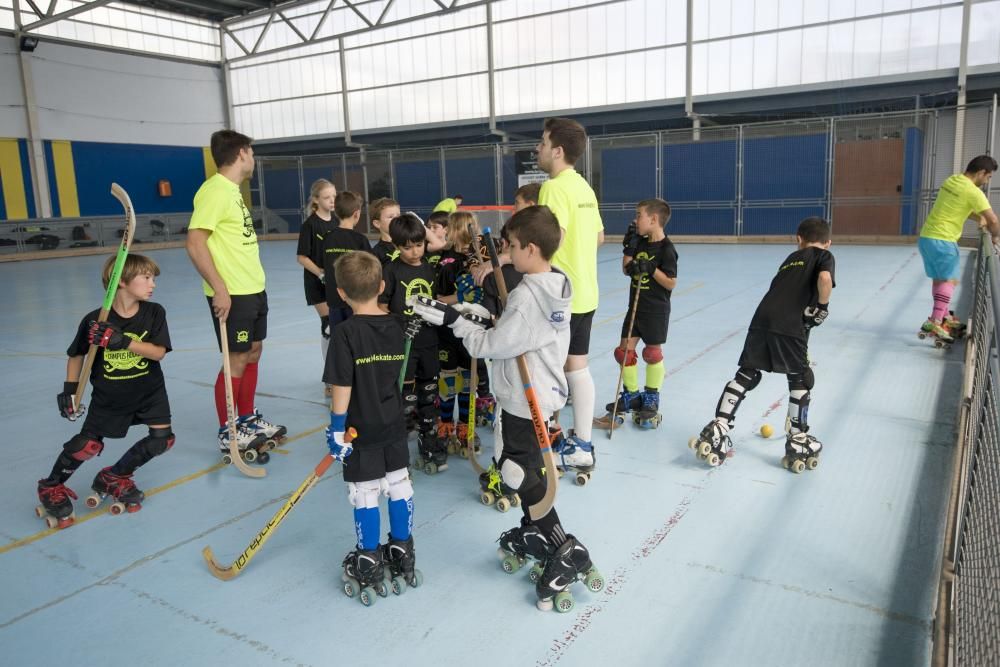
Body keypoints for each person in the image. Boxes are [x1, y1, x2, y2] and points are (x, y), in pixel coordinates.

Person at [413, 205, 602, 612]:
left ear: (531, 249)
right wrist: (475, 313)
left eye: (512, 247)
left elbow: (491, 346)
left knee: (518, 471)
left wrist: (454, 322)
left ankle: (562, 545)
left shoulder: (528, 298)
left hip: (525, 396)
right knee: (524, 468)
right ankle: (537, 530)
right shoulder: (554, 282)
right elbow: (513, 329)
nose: (508, 254)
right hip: (539, 388)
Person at [690, 217, 835, 473]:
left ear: (798, 239)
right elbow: (824, 280)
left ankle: (719, 427)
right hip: (791, 325)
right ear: (828, 243)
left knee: (748, 372)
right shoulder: (824, 256)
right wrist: (822, 307)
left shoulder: (792, 258)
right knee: (800, 377)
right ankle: (798, 439)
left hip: (762, 318)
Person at [38, 255, 173, 528]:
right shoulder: (94, 320)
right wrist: (70, 390)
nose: (153, 284)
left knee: (162, 440)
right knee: (88, 445)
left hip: (150, 393)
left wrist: (122, 341)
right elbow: (76, 356)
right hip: (110, 396)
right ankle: (51, 486)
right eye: (146, 278)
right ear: (121, 282)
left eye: (153, 278)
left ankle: (115, 475)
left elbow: (158, 352)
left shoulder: (154, 312)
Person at [323, 250, 419, 602]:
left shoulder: (345, 333)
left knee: (364, 493)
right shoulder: (397, 327)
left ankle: (369, 560)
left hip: (358, 430)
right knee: (398, 484)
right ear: (381, 286)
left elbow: (342, 386)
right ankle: (402, 552)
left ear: (342, 293)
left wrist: (336, 429)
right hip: (394, 423)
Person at [186, 130, 285, 458]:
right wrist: (220, 289)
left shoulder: (232, 191)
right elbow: (195, 242)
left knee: (253, 351)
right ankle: (227, 430)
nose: (253, 159)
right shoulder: (214, 191)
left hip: (253, 287)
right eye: (252, 153)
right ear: (242, 153)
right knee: (235, 359)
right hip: (234, 292)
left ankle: (246, 419)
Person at [535, 117, 604, 470]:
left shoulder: (553, 187)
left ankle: (547, 436)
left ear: (557, 151)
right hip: (586, 291)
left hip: (559, 296)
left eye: (543, 143)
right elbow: (599, 237)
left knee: (547, 369)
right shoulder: (584, 188)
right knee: (577, 366)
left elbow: (554, 237)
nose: (538, 148)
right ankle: (582, 444)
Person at [595, 198, 677, 431]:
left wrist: (651, 269)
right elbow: (626, 269)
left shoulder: (667, 249)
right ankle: (631, 395)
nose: (635, 219)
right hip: (635, 308)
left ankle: (651, 397)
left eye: (639, 215)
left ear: (653, 220)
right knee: (624, 352)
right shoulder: (640, 242)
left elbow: (671, 282)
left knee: (652, 353)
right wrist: (630, 248)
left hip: (656, 310)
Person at [379, 213, 446, 472]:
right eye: (407, 247)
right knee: (405, 403)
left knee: (429, 398)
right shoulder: (391, 269)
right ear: (396, 246)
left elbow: (436, 298)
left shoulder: (430, 265)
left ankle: (429, 445)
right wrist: (399, 324)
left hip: (429, 343)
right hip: (403, 347)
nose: (415, 251)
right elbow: (381, 306)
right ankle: (397, 456)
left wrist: (416, 222)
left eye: (419, 245)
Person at [918, 155, 999, 344]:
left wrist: (977, 218)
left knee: (940, 279)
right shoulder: (973, 192)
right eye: (988, 177)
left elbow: (957, 207)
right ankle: (936, 321)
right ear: (981, 173)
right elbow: (994, 220)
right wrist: (995, 236)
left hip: (926, 238)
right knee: (950, 280)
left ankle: (944, 317)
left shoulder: (952, 180)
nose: (986, 182)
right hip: (944, 241)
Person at [434, 211, 494, 448]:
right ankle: (446, 423)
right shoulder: (446, 259)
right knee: (449, 379)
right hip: (448, 328)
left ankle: (465, 425)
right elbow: (438, 298)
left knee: (469, 378)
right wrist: (460, 296)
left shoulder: (479, 257)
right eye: (468, 227)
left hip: (472, 328)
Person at [296, 178, 338, 395]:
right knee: (329, 325)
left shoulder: (337, 222)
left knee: (340, 324)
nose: (332, 201)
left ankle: (340, 373)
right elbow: (302, 257)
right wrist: (321, 273)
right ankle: (329, 380)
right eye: (326, 197)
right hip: (317, 283)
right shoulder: (310, 225)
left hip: (337, 283)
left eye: (334, 196)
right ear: (315, 200)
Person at [322, 190, 370, 358]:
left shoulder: (328, 239)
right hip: (355, 301)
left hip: (334, 300)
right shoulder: (360, 240)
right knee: (357, 341)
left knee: (339, 341)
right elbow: (369, 270)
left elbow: (325, 266)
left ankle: (339, 376)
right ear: (356, 214)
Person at [369, 197, 402, 265]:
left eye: (398, 216)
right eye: (391, 217)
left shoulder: (410, 244)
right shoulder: (376, 254)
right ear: (377, 223)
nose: (396, 219)